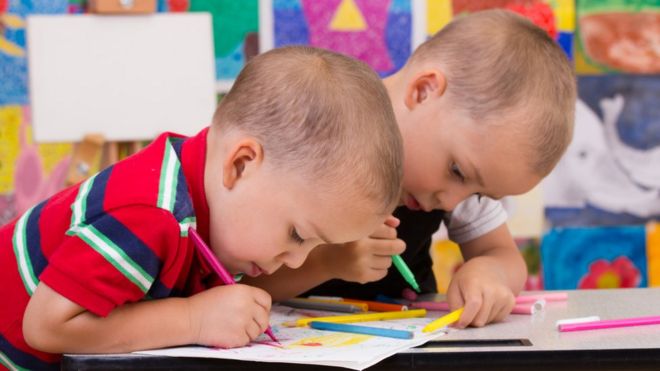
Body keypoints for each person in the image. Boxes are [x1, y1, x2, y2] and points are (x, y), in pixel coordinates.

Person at [0, 46, 404, 370]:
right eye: (297, 234)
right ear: (241, 165)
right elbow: (47, 326)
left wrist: (327, 262)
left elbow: (239, 296)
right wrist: (194, 320)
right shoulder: (148, 212)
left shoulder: (217, 207)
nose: (296, 261)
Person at [246, 10, 576, 328]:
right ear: (424, 90)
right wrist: (328, 261)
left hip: (404, 344)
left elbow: (503, 255)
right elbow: (235, 281)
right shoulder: (317, 131)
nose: (452, 202)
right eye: (457, 171)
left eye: (479, 192)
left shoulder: (471, 165)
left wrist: (490, 273)